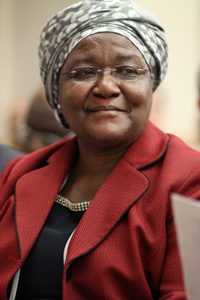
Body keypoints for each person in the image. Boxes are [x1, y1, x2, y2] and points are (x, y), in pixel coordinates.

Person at [1, 0, 200, 299]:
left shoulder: (188, 179)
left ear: (151, 84)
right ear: (56, 90)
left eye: (128, 70)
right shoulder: (21, 172)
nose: (106, 86)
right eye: (83, 72)